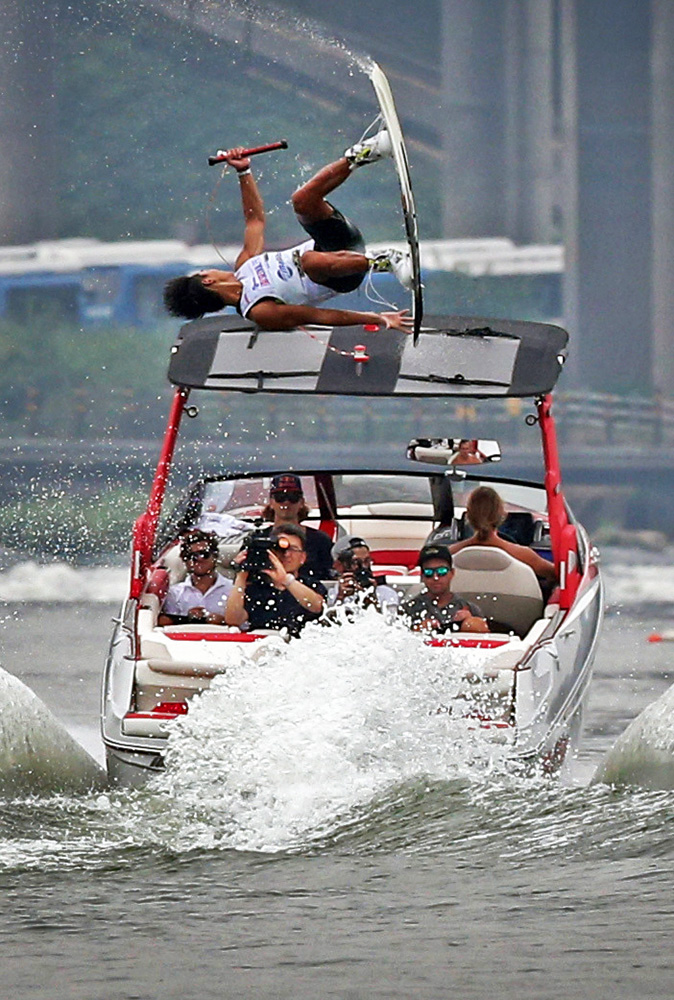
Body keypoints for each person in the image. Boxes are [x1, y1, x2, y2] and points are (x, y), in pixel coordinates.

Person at [163, 131, 414, 333]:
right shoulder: (259, 310)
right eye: (206, 271)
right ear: (207, 279)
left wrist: (243, 171)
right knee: (309, 262)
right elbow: (320, 316)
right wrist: (378, 318)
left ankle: (368, 152)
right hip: (344, 276)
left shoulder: (245, 264)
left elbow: (255, 221)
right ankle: (386, 261)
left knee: (301, 200)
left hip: (338, 242)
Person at [225, 524, 326, 636]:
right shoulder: (256, 587)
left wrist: (286, 580)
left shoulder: (311, 585)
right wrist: (241, 574)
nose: (286, 554)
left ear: (303, 558)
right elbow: (234, 620)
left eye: (292, 549)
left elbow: (316, 606)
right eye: (280, 549)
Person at [450, 486, 557, 584]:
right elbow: (557, 575)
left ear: (468, 516)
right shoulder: (524, 555)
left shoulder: (449, 554)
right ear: (502, 515)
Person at [258, 474, 334, 579]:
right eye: (280, 497)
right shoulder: (258, 539)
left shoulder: (321, 540)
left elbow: (330, 576)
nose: (286, 502)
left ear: (301, 502)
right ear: (271, 502)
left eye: (293, 497)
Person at [400, 544, 488, 634]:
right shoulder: (408, 610)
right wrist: (417, 630)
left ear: (452, 573)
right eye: (428, 572)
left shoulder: (470, 608)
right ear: (422, 577)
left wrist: (471, 623)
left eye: (442, 571)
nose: (435, 577)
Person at [158, 530, 233, 626]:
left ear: (215, 556)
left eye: (204, 554)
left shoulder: (232, 590)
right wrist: (187, 619)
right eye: (191, 556)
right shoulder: (174, 594)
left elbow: (245, 627)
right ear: (185, 560)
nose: (199, 559)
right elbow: (166, 626)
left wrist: (224, 622)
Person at [328, 536, 400, 615]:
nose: (363, 567)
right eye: (355, 562)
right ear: (339, 565)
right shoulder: (333, 594)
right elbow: (329, 623)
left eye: (367, 561)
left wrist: (372, 598)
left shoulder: (386, 593)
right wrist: (340, 598)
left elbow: (390, 624)